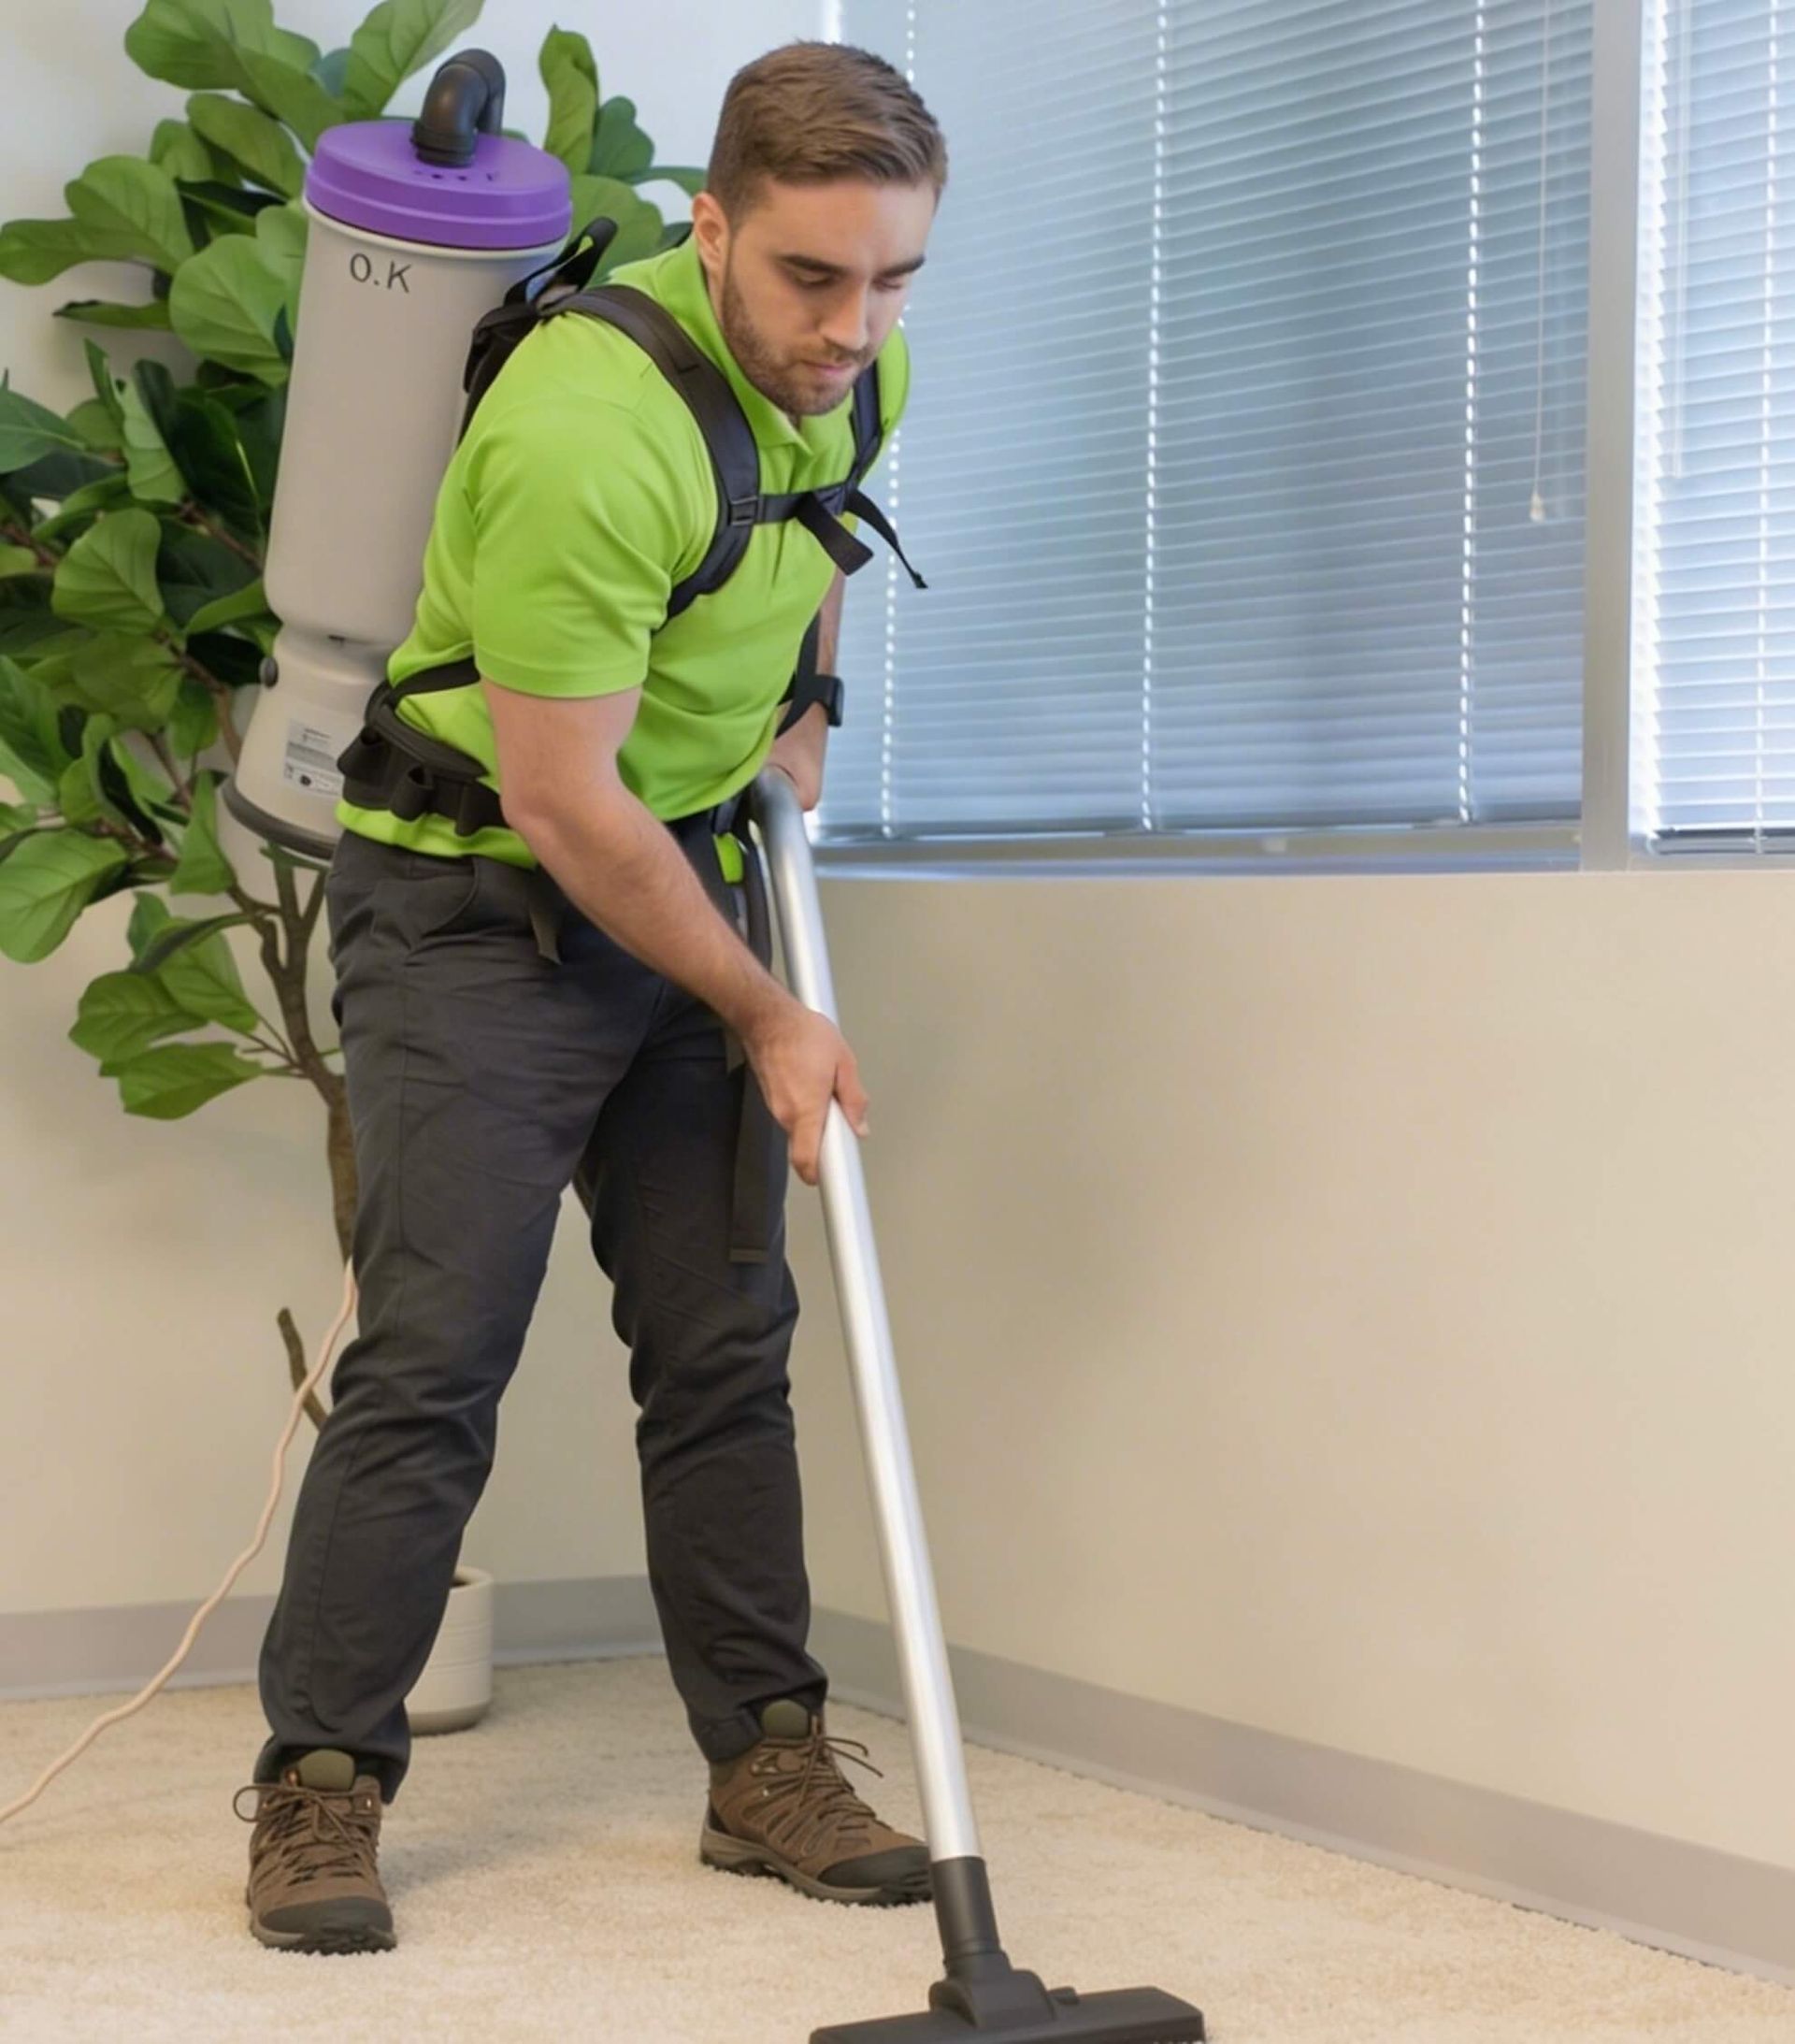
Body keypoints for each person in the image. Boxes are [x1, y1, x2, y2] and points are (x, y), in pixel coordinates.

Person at [232, 39, 947, 1954]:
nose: (850, 326)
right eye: (809, 279)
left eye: (892, 283)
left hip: (683, 878)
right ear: (714, 228)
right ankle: (318, 1787)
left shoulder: (857, 354)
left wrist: (806, 702)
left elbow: (819, 515)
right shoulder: (584, 428)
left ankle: (768, 1759)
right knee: (437, 1355)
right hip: (483, 912)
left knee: (725, 1344)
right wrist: (770, 1012)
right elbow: (561, 799)